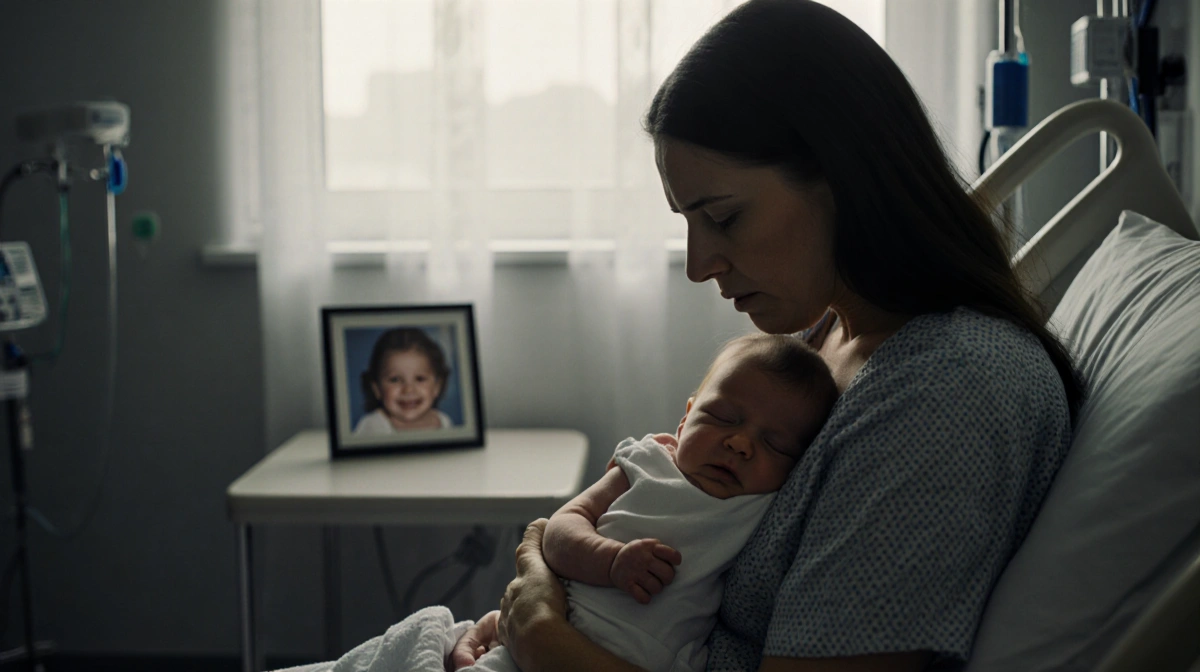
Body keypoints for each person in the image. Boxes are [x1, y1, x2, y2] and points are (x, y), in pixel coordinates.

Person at [449, 1, 1082, 671]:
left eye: (722, 217)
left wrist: (544, 633)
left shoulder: (948, 392)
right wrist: (526, 610)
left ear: (840, 175)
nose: (699, 265)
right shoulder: (830, 335)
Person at [460, 333, 837, 672]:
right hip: (565, 621)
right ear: (684, 421)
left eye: (775, 444)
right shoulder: (648, 463)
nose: (740, 444)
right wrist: (609, 560)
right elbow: (559, 527)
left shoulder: (764, 505)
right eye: (721, 418)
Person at [354, 327, 454, 434]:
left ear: (437, 386)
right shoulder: (372, 427)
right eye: (395, 380)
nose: (408, 390)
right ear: (377, 389)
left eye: (420, 379)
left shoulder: (444, 422)